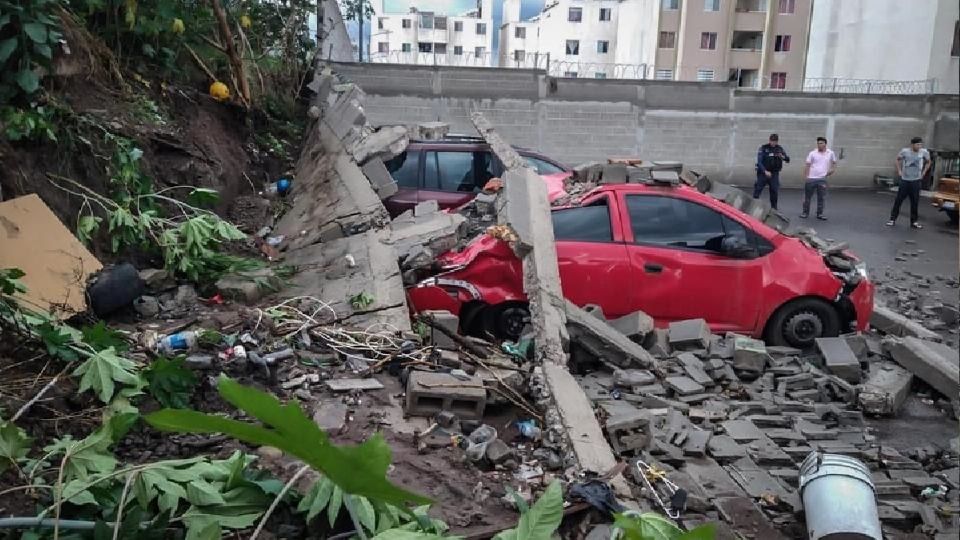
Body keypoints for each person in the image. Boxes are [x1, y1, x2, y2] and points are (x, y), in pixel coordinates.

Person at [887, 137, 931, 229]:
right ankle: (892, 219)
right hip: (905, 180)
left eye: (920, 144)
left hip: (916, 181)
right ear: (912, 144)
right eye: (917, 144)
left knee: (915, 202)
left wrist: (924, 172)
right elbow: (897, 160)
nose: (919, 146)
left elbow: (928, 162)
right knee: (898, 200)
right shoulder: (905, 151)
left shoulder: (924, 152)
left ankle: (914, 222)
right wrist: (899, 170)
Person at [801, 137, 837, 220]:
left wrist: (832, 170)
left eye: (821, 143)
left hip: (822, 179)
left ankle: (819, 214)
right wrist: (806, 177)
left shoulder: (830, 153)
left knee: (821, 197)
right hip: (811, 178)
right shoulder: (812, 153)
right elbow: (807, 165)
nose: (819, 145)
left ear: (825, 144)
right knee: (807, 197)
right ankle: (805, 213)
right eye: (818, 143)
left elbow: (834, 162)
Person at [754, 133, 790, 209]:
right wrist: (765, 171)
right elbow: (759, 162)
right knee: (758, 189)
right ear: (769, 140)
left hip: (774, 173)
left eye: (775, 141)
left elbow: (787, 159)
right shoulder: (763, 148)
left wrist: (783, 156)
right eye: (772, 141)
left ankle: (774, 208)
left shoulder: (779, 149)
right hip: (763, 173)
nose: (773, 142)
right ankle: (753, 205)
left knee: (774, 191)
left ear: (777, 141)